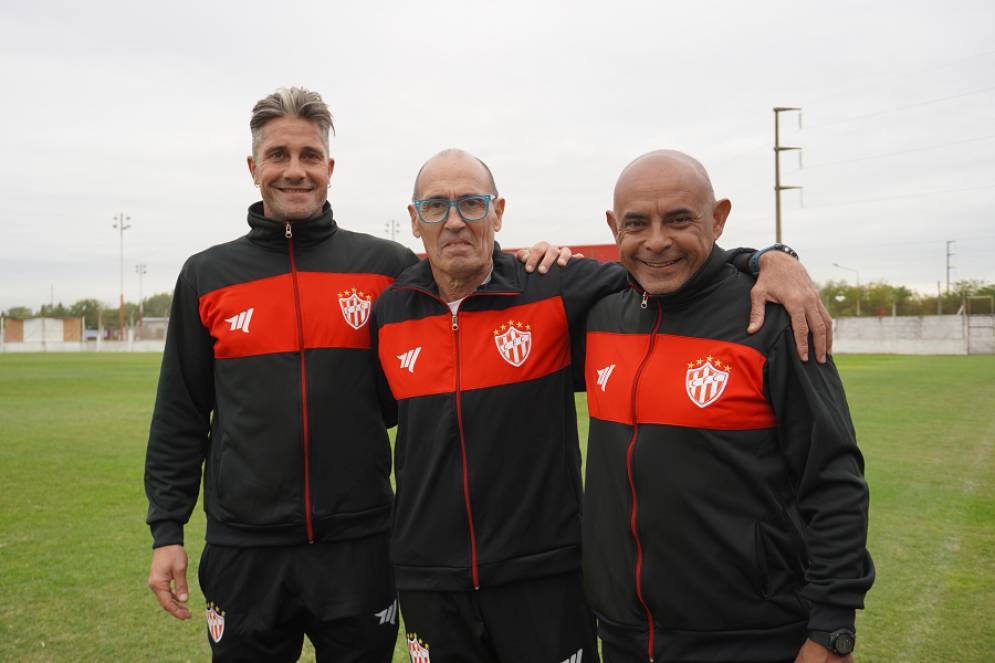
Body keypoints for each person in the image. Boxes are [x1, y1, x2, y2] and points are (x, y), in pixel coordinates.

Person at [142, 88, 567, 662]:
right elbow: (181, 413)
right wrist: (168, 528)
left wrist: (536, 258)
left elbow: (469, 273)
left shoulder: (385, 267)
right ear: (253, 168)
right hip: (245, 547)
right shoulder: (207, 276)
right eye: (278, 155)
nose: (295, 170)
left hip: (361, 545)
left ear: (330, 168)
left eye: (310, 156)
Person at [371, 149, 828, 661]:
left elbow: (671, 264)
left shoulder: (554, 285)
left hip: (545, 577)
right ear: (414, 221)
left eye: (472, 204)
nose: (455, 221)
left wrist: (768, 257)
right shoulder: (389, 311)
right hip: (430, 581)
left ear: (498, 212)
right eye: (435, 207)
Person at [582, 150, 874, 663]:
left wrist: (833, 625)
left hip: (750, 637)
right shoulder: (602, 314)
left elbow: (833, 477)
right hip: (624, 636)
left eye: (679, 219)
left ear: (718, 218)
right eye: (636, 223)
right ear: (613, 227)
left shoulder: (773, 320)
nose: (656, 240)